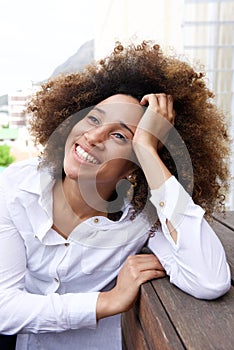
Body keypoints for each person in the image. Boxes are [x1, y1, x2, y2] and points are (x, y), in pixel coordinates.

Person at [0, 41, 231, 350]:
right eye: (93, 118)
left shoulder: (141, 218)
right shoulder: (19, 187)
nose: (93, 137)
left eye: (120, 136)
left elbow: (209, 280)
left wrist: (149, 150)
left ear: (133, 169)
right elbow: (5, 309)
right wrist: (108, 301)